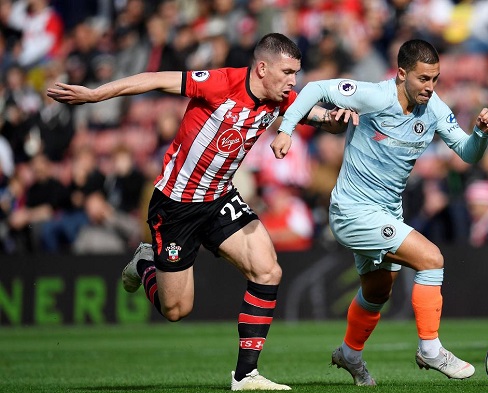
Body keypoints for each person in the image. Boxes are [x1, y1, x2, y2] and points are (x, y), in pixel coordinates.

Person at [47, 33, 357, 390]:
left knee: (268, 270)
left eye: (296, 73)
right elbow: (154, 79)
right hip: (176, 204)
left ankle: (246, 376)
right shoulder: (221, 82)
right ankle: (144, 263)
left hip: (219, 199)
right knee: (176, 310)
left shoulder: (283, 99)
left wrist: (339, 117)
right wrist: (95, 94)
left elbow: (320, 118)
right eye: (287, 72)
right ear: (262, 68)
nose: (293, 81)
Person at [271, 39, 488, 385]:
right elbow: (315, 88)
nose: (430, 87)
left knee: (377, 291)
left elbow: (467, 153)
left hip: (388, 213)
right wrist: (287, 130)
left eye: (435, 79)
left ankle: (349, 354)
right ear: (402, 74)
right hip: (352, 210)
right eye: (423, 79)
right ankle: (430, 349)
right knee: (431, 259)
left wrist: (480, 134)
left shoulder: (434, 108)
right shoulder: (375, 96)